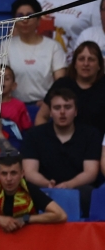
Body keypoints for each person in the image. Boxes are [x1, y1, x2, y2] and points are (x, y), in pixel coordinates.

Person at [22, 87, 100, 216]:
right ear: (51, 112)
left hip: (77, 188)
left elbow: (90, 172)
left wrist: (68, 185)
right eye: (57, 108)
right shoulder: (34, 135)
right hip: (44, 187)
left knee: (89, 192)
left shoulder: (90, 134)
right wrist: (47, 183)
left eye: (67, 107)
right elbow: (29, 172)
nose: (62, 112)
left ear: (76, 111)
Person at [1, 0, 68, 106]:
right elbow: (2, 81)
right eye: (20, 16)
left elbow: (60, 83)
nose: (25, 20)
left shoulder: (54, 46)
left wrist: (47, 102)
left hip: (45, 106)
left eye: (30, 16)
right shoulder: (5, 46)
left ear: (38, 20)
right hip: (14, 106)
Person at [39, 40, 105, 131]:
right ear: (74, 64)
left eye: (91, 59)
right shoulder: (62, 84)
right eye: (81, 59)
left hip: (98, 143)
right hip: (62, 142)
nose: (86, 64)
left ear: (99, 65)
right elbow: (42, 116)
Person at [0, 150, 67, 231]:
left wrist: (26, 219)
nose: (9, 178)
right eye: (4, 173)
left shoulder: (30, 189)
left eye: (13, 173)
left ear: (22, 173)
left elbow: (61, 215)